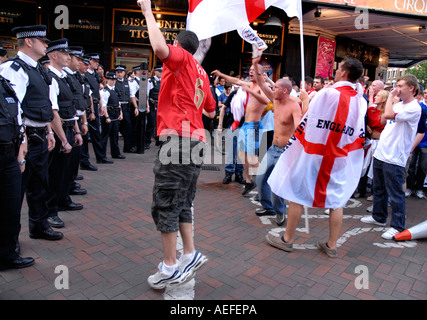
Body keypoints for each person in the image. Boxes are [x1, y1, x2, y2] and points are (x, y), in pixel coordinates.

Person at [137, 0, 216, 289]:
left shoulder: (180, 58)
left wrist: (147, 11)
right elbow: (210, 110)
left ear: (178, 45)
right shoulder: (202, 72)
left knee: (166, 204)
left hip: (178, 140)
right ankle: (190, 253)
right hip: (194, 140)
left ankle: (170, 265)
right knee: (182, 201)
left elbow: (159, 50)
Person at [267, 58, 367, 258]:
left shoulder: (328, 93)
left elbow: (309, 120)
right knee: (336, 200)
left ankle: (287, 239)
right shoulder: (360, 100)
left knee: (296, 193)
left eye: (339, 69)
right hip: (339, 156)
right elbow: (356, 132)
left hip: (315, 153)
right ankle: (331, 244)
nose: (337, 71)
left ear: (345, 73)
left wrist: (305, 100)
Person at [0, 25, 63, 241]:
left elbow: (43, 105)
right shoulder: (13, 69)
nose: (46, 44)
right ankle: (10, 241)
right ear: (28, 42)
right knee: (14, 194)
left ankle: (39, 226)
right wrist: (22, 140)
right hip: (23, 139)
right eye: (42, 41)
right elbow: (12, 109)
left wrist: (50, 132)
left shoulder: (38, 69)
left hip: (40, 136)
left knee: (39, 185)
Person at [361, 74, 421, 240]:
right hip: (382, 152)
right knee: (378, 188)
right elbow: (382, 119)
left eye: (400, 85)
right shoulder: (399, 105)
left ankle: (397, 225)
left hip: (395, 156)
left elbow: (387, 115)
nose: (397, 88)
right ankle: (378, 216)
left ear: (411, 88)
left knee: (395, 193)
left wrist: (390, 97)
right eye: (396, 85)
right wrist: (392, 101)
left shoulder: (414, 108)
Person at [252, 56, 302, 226]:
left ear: (285, 91)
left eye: (277, 87)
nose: (273, 89)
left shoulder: (294, 106)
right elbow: (261, 83)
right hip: (273, 148)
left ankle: (280, 212)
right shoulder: (275, 100)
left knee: (276, 185)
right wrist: (254, 64)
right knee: (260, 178)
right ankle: (268, 207)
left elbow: (299, 127)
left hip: (286, 151)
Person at [212, 64, 269, 196]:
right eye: (249, 70)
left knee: (252, 158)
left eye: (253, 71)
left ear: (260, 73)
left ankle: (268, 185)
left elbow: (267, 101)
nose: (250, 72)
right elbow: (236, 81)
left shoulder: (262, 87)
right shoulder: (250, 85)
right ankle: (249, 181)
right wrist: (221, 75)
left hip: (254, 126)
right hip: (245, 126)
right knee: (242, 155)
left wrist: (251, 92)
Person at [46, 38, 83, 227]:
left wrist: (76, 131)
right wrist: (63, 139)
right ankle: (51, 210)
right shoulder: (50, 78)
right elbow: (53, 112)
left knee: (65, 171)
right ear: (54, 55)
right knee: (54, 174)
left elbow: (71, 108)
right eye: (65, 54)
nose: (69, 57)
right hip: (58, 130)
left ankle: (62, 199)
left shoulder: (64, 77)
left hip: (69, 127)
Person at [0, 74, 35, 269]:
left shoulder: (4, 84)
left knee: (11, 209)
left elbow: (17, 116)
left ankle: (8, 255)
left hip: (9, 155)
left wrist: (21, 145)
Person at [84, 53, 113, 164]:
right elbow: (89, 94)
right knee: (86, 134)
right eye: (94, 61)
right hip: (88, 106)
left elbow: (97, 91)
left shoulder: (95, 76)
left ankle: (100, 156)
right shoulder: (85, 75)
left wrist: (101, 104)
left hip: (95, 105)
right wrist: (92, 110)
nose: (97, 63)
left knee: (96, 132)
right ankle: (84, 160)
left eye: (98, 61)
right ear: (89, 61)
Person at [405, 87, 427, 199]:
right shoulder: (419, 107)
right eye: (426, 93)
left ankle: (419, 188)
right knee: (411, 166)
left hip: (425, 143)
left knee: (423, 167)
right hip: (413, 141)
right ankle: (409, 187)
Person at [78, 56, 98, 171]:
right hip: (76, 114)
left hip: (85, 112)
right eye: (83, 64)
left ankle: (84, 161)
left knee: (84, 140)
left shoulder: (84, 79)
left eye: (87, 64)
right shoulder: (77, 78)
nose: (86, 66)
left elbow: (89, 96)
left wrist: (92, 111)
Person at [100, 71, 124, 160]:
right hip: (109, 114)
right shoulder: (104, 91)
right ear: (107, 80)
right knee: (105, 136)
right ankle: (102, 155)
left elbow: (118, 103)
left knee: (115, 135)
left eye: (114, 80)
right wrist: (106, 116)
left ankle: (116, 153)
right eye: (111, 79)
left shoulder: (116, 90)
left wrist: (121, 113)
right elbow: (104, 105)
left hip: (115, 114)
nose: (113, 81)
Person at [115, 64, 137, 155]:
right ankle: (115, 151)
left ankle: (127, 147)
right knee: (116, 128)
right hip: (117, 107)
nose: (119, 74)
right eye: (118, 72)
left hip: (126, 106)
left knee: (128, 127)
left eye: (121, 72)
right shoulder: (114, 81)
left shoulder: (128, 82)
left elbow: (132, 95)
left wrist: (135, 107)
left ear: (124, 73)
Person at [145, 65, 162, 149]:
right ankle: (147, 141)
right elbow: (146, 95)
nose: (161, 73)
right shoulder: (150, 81)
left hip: (161, 106)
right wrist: (147, 106)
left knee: (161, 124)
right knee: (151, 123)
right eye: (159, 71)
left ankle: (159, 140)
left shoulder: (164, 81)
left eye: (162, 71)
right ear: (155, 71)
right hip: (153, 105)